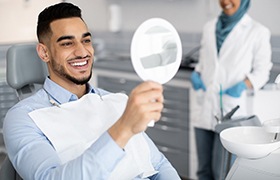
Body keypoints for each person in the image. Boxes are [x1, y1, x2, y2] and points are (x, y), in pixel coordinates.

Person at [3, 2, 180, 180]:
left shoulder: (116, 101)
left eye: (86, 40)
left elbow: (158, 165)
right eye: (67, 43)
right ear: (44, 53)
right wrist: (123, 128)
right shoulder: (23, 118)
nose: (82, 52)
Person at [190, 0, 272, 179]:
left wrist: (244, 84)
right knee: (203, 171)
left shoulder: (257, 31)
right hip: (205, 106)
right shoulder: (209, 27)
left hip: (232, 111)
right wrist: (197, 74)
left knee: (223, 173)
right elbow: (204, 63)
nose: (225, 2)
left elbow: (262, 71)